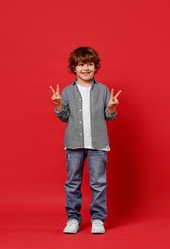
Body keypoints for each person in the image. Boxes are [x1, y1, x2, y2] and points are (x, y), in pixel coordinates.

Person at [50, 46, 121, 234]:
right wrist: (58, 105)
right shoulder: (66, 92)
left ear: (95, 66)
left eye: (89, 64)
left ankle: (98, 219)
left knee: (98, 183)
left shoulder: (103, 90)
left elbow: (109, 116)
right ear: (74, 68)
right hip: (73, 144)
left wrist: (112, 108)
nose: (85, 68)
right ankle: (73, 218)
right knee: (72, 183)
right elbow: (64, 117)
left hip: (98, 144)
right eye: (81, 64)